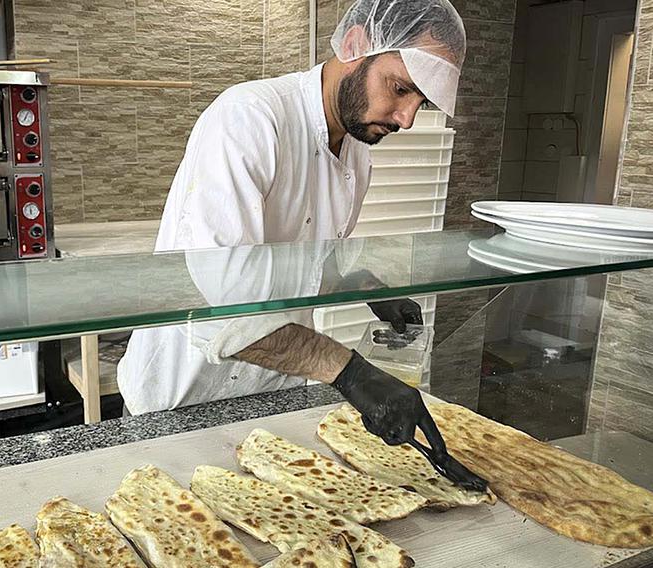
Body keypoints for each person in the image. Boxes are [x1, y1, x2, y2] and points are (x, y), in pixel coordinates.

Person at [117, 0, 485, 489]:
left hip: (272, 399)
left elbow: (309, 258)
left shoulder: (356, 152)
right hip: (179, 402)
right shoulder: (248, 118)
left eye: (422, 102)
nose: (407, 118)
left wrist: (363, 284)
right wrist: (351, 374)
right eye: (400, 89)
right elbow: (231, 306)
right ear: (356, 45)